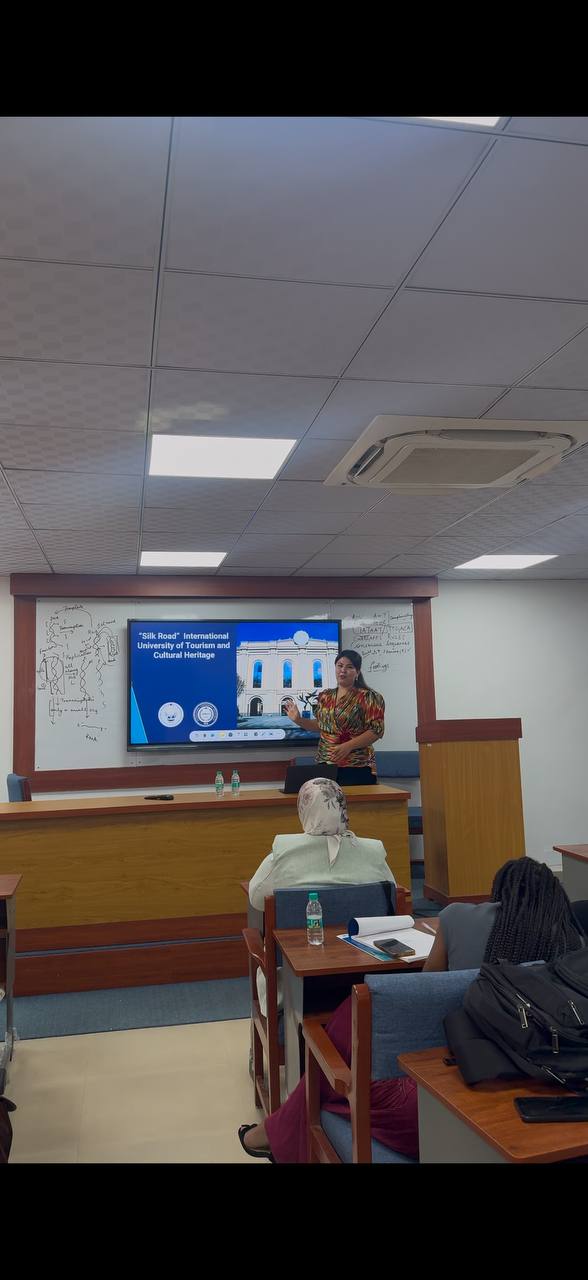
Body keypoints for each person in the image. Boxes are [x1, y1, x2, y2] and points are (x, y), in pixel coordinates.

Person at [238, 857, 585, 1162]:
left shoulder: (457, 917)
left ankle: (274, 1134)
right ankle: (274, 1133)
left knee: (336, 1074)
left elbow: (425, 989)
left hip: (446, 1102)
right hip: (550, 1098)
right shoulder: (573, 951)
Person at [248, 775, 395, 1016]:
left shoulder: (284, 853)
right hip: (365, 978)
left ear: (304, 809)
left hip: (299, 984)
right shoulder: (372, 851)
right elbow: (391, 895)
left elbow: (256, 898)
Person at [284, 649, 384, 785]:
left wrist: (348, 746)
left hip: (357, 766)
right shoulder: (325, 696)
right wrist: (298, 720)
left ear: (357, 672)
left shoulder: (369, 697)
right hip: (325, 764)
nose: (343, 670)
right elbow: (321, 725)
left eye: (349, 667)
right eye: (340, 666)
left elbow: (376, 731)